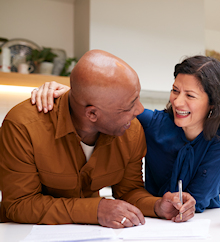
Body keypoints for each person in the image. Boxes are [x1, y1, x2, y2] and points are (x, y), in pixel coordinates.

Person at [0, 50, 196, 227]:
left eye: (137, 98)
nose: (139, 110)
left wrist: (157, 205)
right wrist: (95, 210)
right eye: (129, 106)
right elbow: (19, 204)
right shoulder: (22, 127)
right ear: (92, 114)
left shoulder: (131, 130)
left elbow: (129, 191)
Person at [33, 55, 220, 213]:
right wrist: (70, 93)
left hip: (202, 221)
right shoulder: (155, 124)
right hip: (153, 214)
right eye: (175, 90)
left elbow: (197, 199)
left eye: (190, 95)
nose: (177, 102)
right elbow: (109, 107)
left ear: (213, 103)